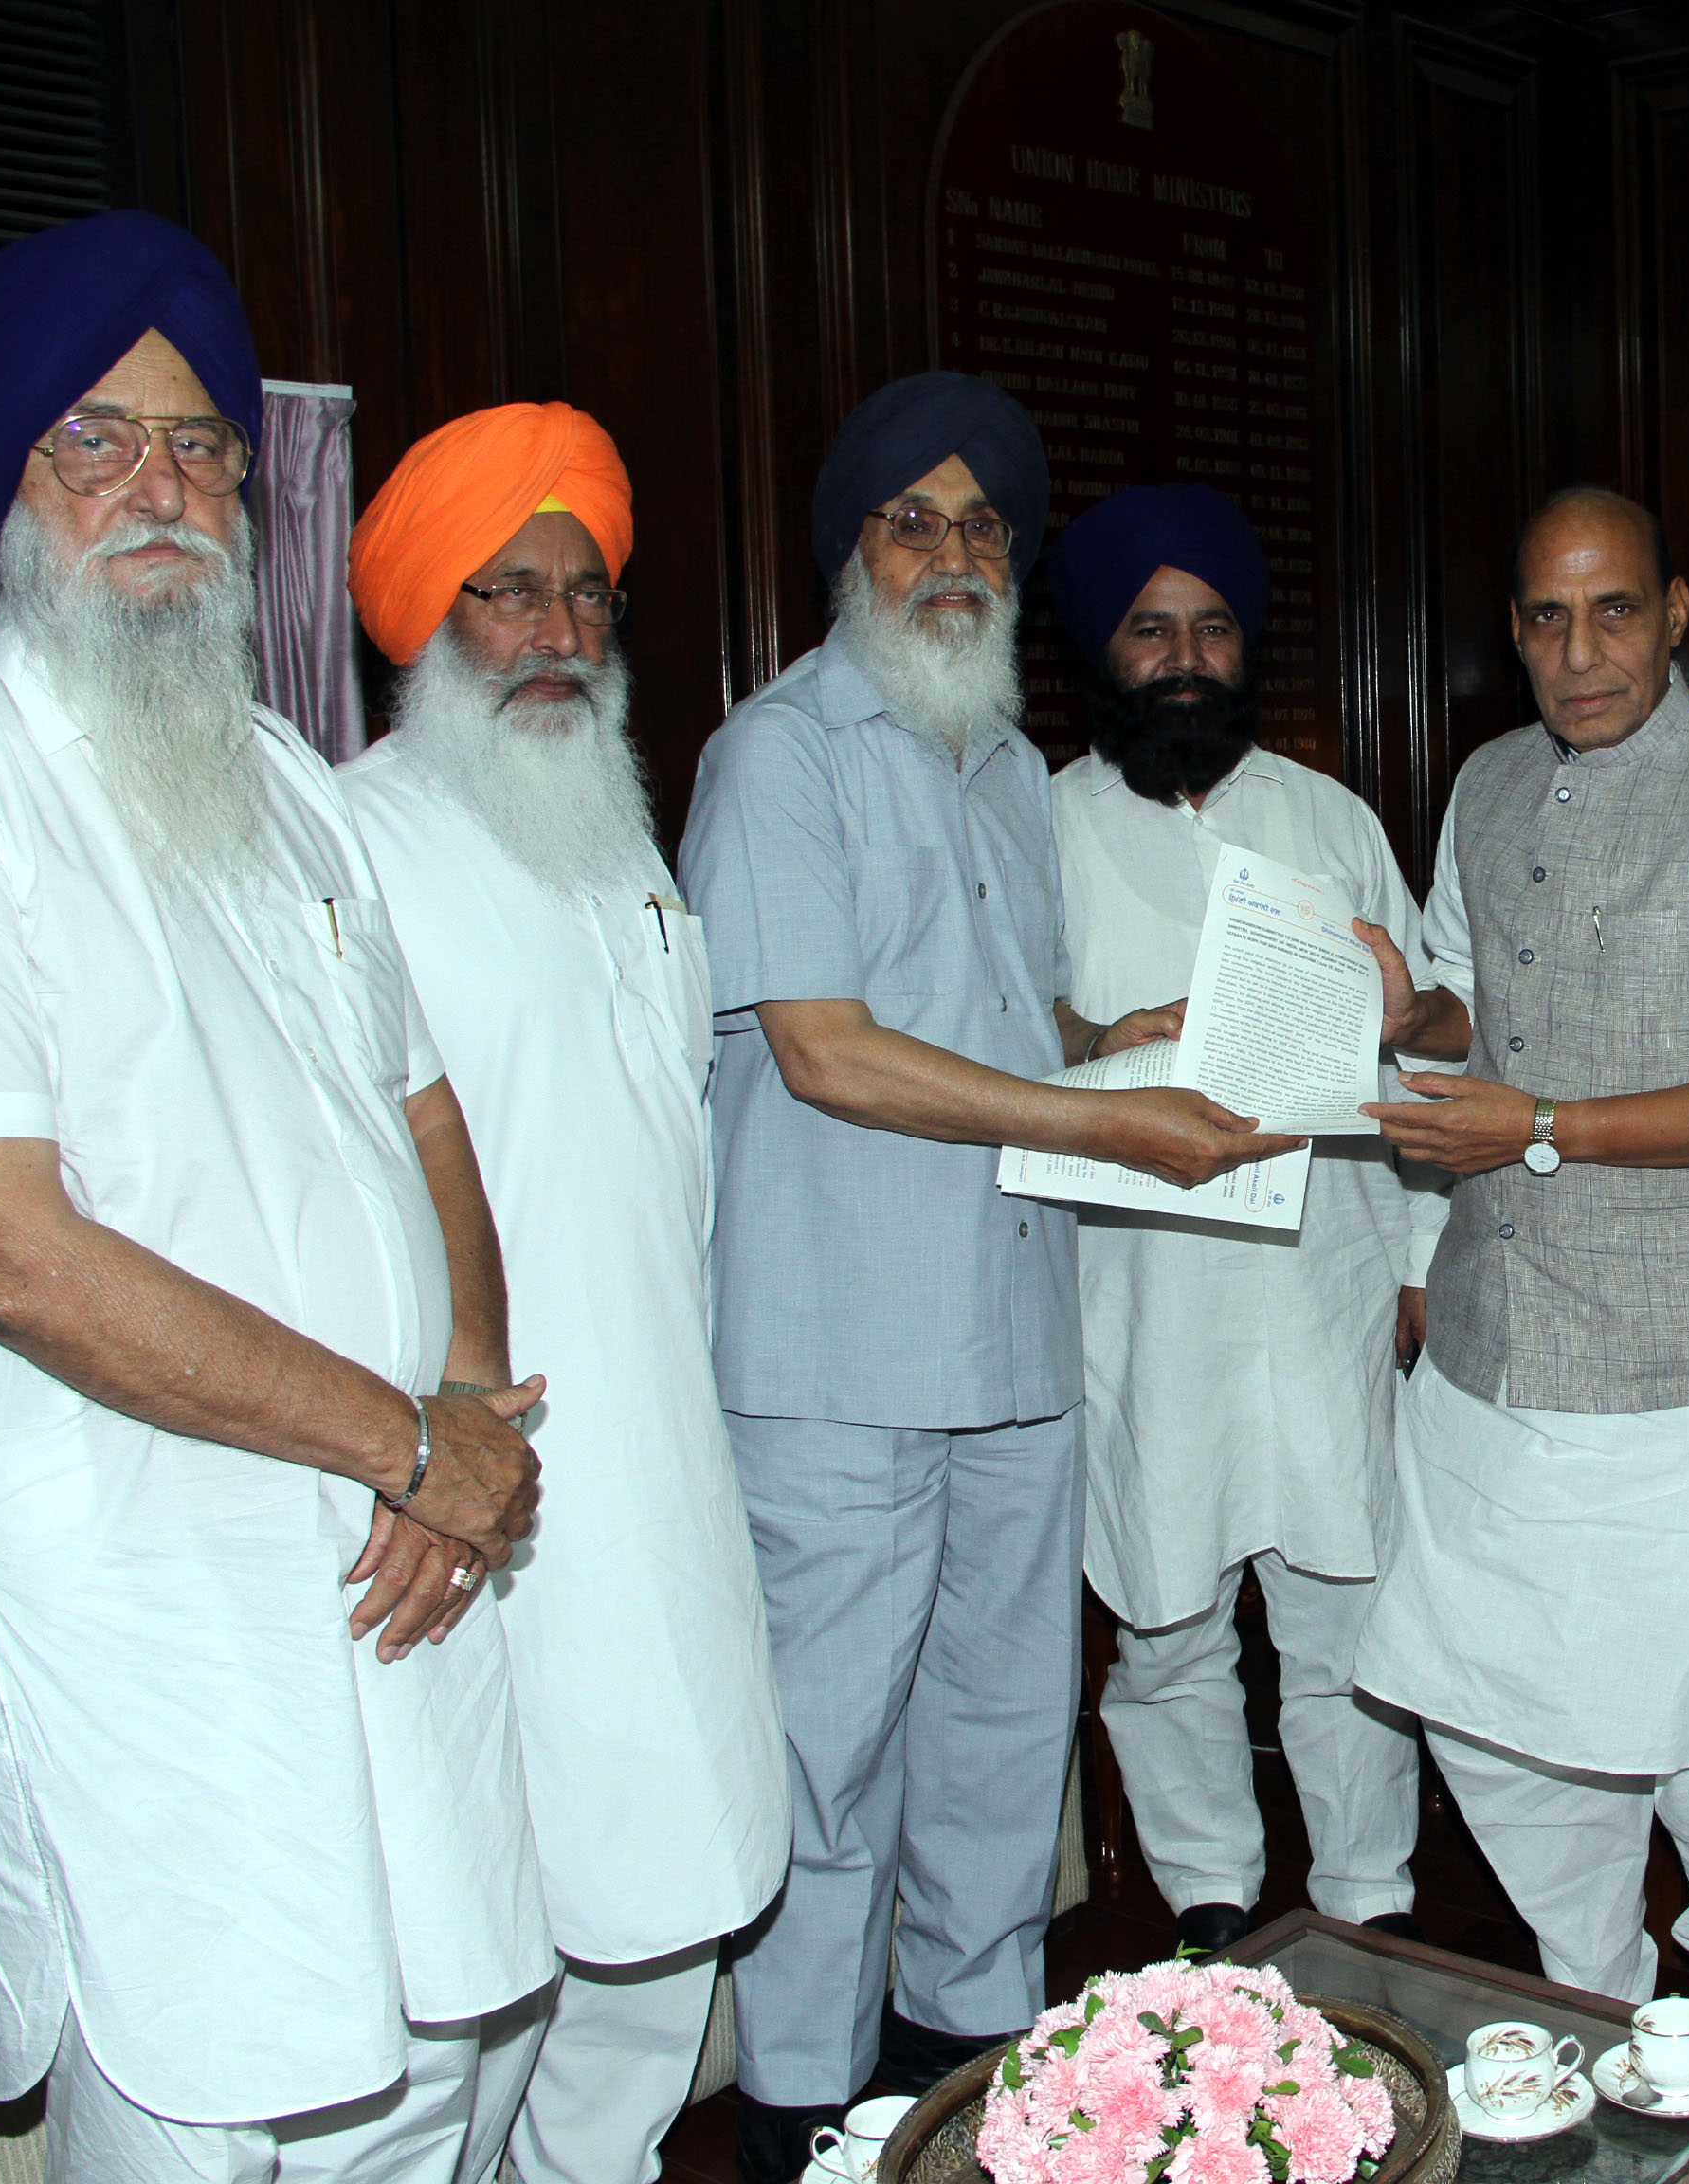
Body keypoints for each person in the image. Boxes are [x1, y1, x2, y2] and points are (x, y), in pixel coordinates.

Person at [0, 211, 552, 2181]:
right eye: (95, 442)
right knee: (215, 2099)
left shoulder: (292, 778)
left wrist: (464, 1405)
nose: (163, 486)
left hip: (393, 1559)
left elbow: (428, 1114)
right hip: (140, 1607)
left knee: (431, 2084)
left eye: (203, 445)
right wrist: (413, 1444)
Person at [681, 373, 1299, 2184]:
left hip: (1015, 1341)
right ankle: (806, 2109)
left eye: (980, 528)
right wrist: (1107, 1122)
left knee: (1000, 1745)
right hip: (835, 1353)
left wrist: (1122, 1045)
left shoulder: (1010, 769)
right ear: (850, 554)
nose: (951, 559)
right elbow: (825, 1050)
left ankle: (968, 2100)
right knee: (830, 1758)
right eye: (911, 523)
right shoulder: (775, 757)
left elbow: (1000, 1030)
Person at [1354, 487, 1689, 2038]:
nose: (1579, 651)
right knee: (1498, 1721)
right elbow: (1464, 996)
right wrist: (1412, 1020)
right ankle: (1601, 1997)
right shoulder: (1486, 788)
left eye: (1613, 611)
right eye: (1544, 616)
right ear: (1511, 630)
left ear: (1674, 612)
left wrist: (1545, 1128)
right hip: (1500, 1364)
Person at [338, 403, 794, 2184]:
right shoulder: (350, 843)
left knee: (662, 1928)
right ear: (423, 622)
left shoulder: (627, 845)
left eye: (587, 598)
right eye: (506, 595)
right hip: (467, 1484)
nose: (556, 637)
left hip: (661, 1474)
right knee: (480, 1973)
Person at [1040, 482, 1437, 1956]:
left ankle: (1368, 1900)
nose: (1187, 658)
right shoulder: (1040, 829)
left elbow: (1425, 1058)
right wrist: (1097, 1037)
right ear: (1103, 652)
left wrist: (1418, 1261)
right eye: (1153, 631)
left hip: (1325, 1277)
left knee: (1344, 1608)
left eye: (1212, 628)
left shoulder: (1326, 818)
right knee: (1166, 1617)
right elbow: (998, 1046)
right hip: (1137, 1297)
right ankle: (1210, 1899)